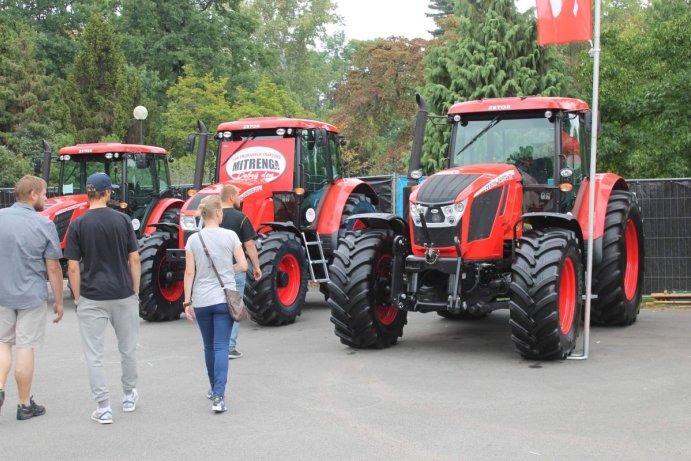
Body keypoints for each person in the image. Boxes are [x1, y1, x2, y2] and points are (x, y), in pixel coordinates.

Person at [65, 172, 141, 425]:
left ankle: (103, 407)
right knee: (128, 348)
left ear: (89, 193)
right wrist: (135, 290)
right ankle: (129, 396)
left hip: (92, 295)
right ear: (108, 192)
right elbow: (135, 258)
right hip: (123, 293)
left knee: (94, 355)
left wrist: (77, 297)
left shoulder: (78, 223)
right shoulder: (123, 220)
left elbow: (73, 266)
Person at [0, 175, 63, 421]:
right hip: (31, 294)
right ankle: (24, 404)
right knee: (25, 346)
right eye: (45, 194)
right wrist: (59, 302)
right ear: (33, 194)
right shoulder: (44, 225)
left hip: (2, 293)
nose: (46, 199)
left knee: (3, 342)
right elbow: (54, 268)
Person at [183, 195, 247, 413]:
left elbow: (189, 272)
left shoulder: (193, 240)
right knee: (221, 346)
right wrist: (228, 271)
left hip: (201, 300)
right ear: (219, 212)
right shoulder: (230, 236)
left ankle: (213, 388)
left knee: (208, 346)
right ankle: (219, 396)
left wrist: (187, 301)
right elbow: (243, 265)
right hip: (223, 299)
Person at [220, 185, 262, 360]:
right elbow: (250, 244)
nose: (240, 198)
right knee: (234, 307)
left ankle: (217, 345)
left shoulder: (212, 218)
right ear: (230, 198)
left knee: (218, 307)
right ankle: (229, 347)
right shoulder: (241, 218)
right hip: (235, 269)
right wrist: (257, 267)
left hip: (214, 271)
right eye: (238, 195)